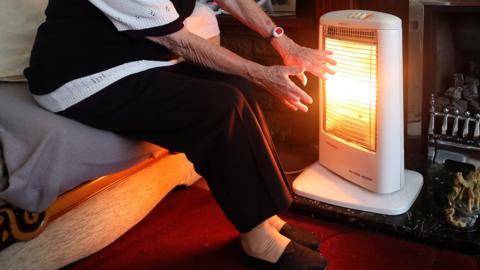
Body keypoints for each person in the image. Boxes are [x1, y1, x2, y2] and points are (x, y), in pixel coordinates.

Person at [25, 1, 335, 269]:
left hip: (134, 58)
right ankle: (257, 240)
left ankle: (266, 217)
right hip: (79, 76)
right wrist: (262, 74)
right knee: (220, 106)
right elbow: (180, 41)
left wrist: (285, 43)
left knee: (234, 85)